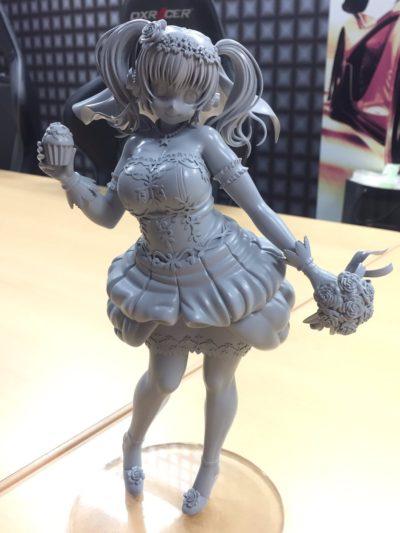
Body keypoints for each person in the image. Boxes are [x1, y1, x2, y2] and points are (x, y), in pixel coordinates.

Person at [37, 18, 378, 515]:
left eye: (187, 93)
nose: (173, 105)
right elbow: (109, 214)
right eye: (161, 90)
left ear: (206, 94)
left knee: (219, 378)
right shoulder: (133, 146)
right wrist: (68, 178)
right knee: (164, 377)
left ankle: (210, 464)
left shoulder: (205, 142)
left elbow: (257, 207)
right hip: (156, 275)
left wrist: (310, 266)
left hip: (222, 270)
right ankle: (132, 441)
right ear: (141, 84)